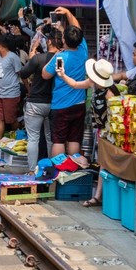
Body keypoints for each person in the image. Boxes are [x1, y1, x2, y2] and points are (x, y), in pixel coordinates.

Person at [58, 57, 122, 206]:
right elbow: (75, 84)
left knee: (104, 163)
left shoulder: (110, 93)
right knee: (102, 162)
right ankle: (98, 196)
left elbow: (115, 118)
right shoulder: (94, 83)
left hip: (109, 134)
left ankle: (99, 197)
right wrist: (63, 75)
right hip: (101, 131)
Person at [42, 7, 88, 157]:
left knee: (59, 141)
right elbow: (77, 28)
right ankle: (73, 166)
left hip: (60, 104)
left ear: (63, 40)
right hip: (79, 103)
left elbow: (45, 75)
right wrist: (68, 13)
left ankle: (59, 168)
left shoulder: (60, 57)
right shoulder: (83, 50)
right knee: (74, 139)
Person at [18, 28, 58, 172]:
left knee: (33, 138)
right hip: (54, 102)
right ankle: (51, 168)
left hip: (35, 102)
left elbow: (23, 73)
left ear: (49, 42)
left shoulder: (38, 58)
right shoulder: (62, 59)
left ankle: (31, 170)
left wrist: (31, 57)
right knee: (50, 138)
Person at [0, 34, 23, 138]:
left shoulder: (13, 57)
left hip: (11, 94)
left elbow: (21, 74)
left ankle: (19, 137)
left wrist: (28, 89)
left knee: (11, 120)